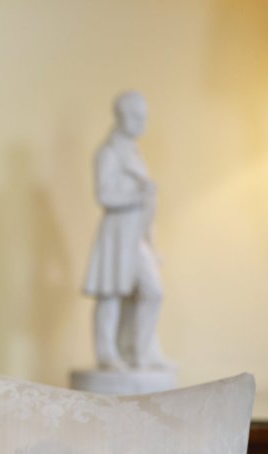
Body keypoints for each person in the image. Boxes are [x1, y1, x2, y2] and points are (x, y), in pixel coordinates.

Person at [83, 91, 171, 371]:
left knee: (153, 291)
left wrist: (153, 246)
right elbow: (104, 194)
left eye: (144, 117)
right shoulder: (108, 151)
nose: (142, 123)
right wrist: (138, 194)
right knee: (110, 293)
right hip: (117, 234)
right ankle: (106, 352)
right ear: (122, 117)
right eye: (137, 117)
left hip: (137, 234)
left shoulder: (133, 151)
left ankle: (141, 351)